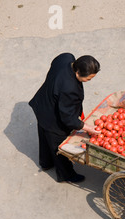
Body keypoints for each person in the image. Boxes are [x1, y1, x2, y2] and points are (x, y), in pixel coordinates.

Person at [29, 53, 100, 183]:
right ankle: (66, 175)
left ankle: (45, 163)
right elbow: (68, 118)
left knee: (44, 135)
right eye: (88, 79)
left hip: (42, 104)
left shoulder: (66, 58)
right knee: (58, 147)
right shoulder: (69, 88)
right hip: (53, 118)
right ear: (78, 72)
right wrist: (88, 128)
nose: (89, 82)